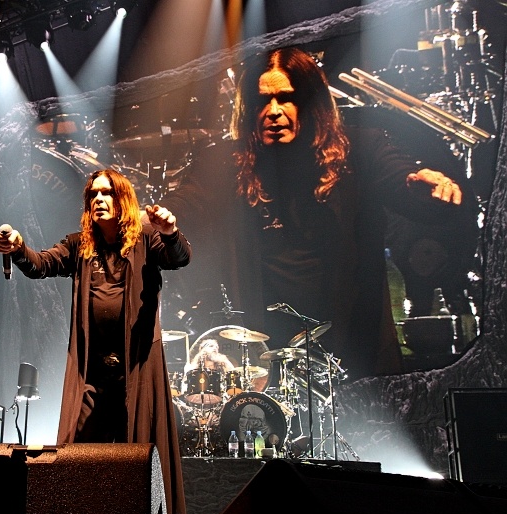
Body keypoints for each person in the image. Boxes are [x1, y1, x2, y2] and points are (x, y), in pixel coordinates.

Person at [162, 46, 469, 382]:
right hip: (264, 347)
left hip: (352, 343)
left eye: (286, 98)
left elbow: (400, 177)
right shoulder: (227, 162)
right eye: (263, 101)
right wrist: (151, 218)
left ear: (311, 104)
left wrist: (422, 184)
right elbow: (186, 203)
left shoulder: (359, 149)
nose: (274, 111)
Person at [0, 168, 191, 514]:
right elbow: (41, 264)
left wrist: (170, 232)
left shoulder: (147, 240)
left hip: (136, 366)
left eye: (107, 193)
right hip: (92, 371)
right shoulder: (78, 246)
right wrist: (18, 247)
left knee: (141, 453)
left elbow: (179, 258)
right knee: (77, 451)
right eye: (93, 195)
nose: (98, 199)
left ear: (123, 199)